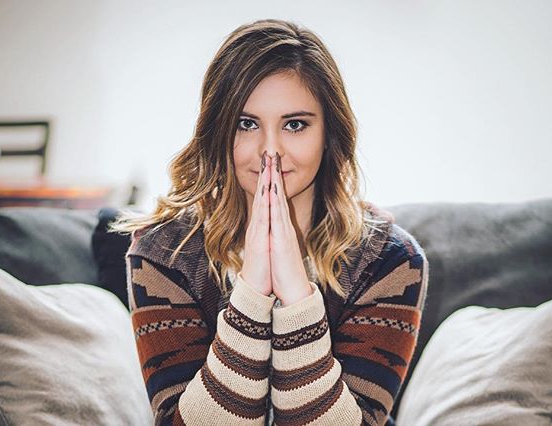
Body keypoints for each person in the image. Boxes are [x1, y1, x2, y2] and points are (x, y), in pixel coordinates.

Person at [110, 18, 429, 426]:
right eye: (246, 124)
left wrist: (297, 296)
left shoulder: (391, 260)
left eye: (295, 125)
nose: (270, 152)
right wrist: (252, 292)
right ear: (217, 132)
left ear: (329, 133)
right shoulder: (162, 252)